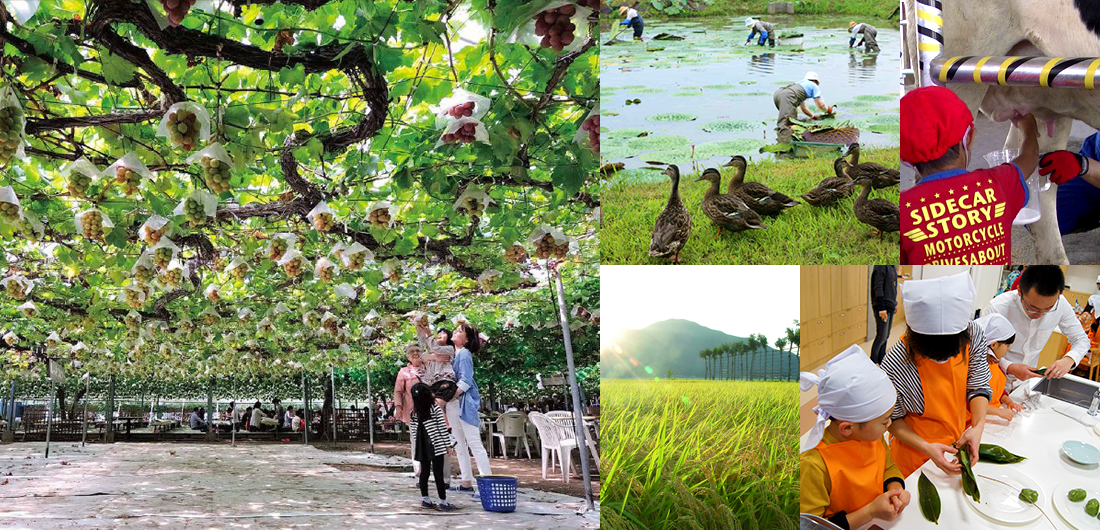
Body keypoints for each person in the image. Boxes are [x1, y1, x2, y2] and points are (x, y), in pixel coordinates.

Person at [900, 87, 1038, 265]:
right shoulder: (998, 184)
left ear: (906, 159)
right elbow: (1030, 156)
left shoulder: (903, 209)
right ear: (969, 138)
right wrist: (1028, 127)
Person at [880, 271, 992, 477]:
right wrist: (927, 447)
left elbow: (978, 386)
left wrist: (978, 427)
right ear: (914, 337)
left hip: (956, 445)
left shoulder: (974, 335)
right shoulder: (895, 363)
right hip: (914, 455)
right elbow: (893, 420)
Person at [801, 345, 910, 529]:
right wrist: (869, 512)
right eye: (884, 422)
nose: (889, 424)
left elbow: (888, 467)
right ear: (847, 428)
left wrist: (894, 488)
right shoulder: (814, 465)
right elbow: (811, 526)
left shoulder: (871, 437)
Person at [982, 265, 1089, 391]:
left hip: (1027, 385)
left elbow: (1082, 339)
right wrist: (1009, 367)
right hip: (992, 382)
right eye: (1032, 308)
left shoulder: (1061, 305)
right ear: (1020, 291)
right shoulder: (997, 308)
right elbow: (980, 350)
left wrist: (1069, 359)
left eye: (1048, 309)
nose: (1040, 314)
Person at [447, 323, 492, 494]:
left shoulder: (464, 354)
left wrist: (450, 396)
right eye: (456, 330)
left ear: (466, 340)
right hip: (454, 403)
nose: (455, 332)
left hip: (462, 403)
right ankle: (466, 481)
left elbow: (466, 381)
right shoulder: (454, 354)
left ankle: (487, 484)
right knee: (460, 444)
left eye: (460, 331)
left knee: (474, 443)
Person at [410, 383, 457, 511]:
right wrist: (448, 445)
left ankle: (425, 499)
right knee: (438, 474)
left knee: (424, 473)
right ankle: (443, 501)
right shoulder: (435, 408)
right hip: (437, 446)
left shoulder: (414, 413)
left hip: (423, 447)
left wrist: (418, 446)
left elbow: (414, 433)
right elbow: (442, 428)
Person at [972, 313, 1022, 423]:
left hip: (991, 418)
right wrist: (998, 412)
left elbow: (998, 392)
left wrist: (1009, 402)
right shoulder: (976, 370)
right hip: (975, 421)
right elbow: (971, 403)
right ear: (994, 345)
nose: (1007, 350)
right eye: (1007, 346)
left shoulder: (995, 364)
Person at [772, 72, 833, 144]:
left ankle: (781, 139)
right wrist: (828, 110)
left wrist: (813, 116)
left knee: (787, 120)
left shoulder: (800, 85)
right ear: (815, 81)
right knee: (787, 125)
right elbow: (821, 105)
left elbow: (803, 108)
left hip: (778, 94)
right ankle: (785, 147)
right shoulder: (813, 85)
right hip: (788, 96)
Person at [395, 343, 426, 475]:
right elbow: (398, 391)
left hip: (430, 411)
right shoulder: (404, 372)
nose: (415, 353)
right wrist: (398, 407)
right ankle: (419, 470)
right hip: (412, 411)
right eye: (412, 351)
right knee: (416, 439)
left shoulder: (429, 368)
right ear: (408, 356)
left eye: (418, 351)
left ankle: (433, 469)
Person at [870, 265, 898, 364]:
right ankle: (873, 360)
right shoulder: (881, 266)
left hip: (890, 305)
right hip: (882, 307)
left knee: (886, 335)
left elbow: (893, 287)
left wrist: (894, 304)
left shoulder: (892, 266)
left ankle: (881, 358)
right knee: (881, 336)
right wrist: (881, 308)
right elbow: (878, 287)